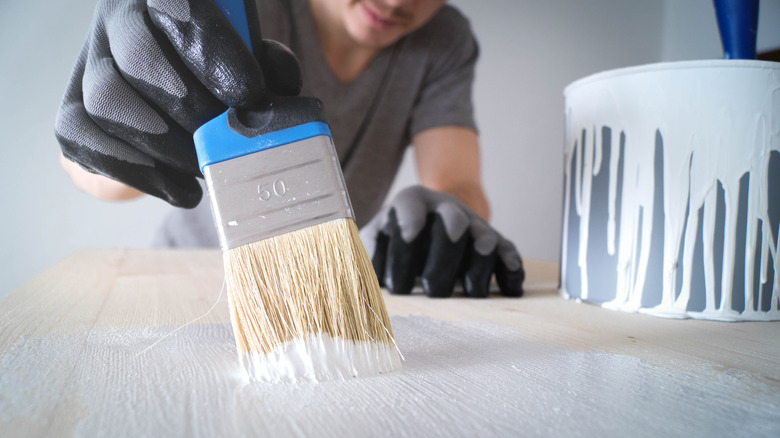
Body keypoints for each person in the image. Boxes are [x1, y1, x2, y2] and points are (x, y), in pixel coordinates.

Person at [56, 0, 524, 298]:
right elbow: (102, 186)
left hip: (315, 287)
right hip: (185, 280)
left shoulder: (444, 40)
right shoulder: (241, 7)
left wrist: (445, 216)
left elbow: (458, 182)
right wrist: (110, 127)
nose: (397, 1)